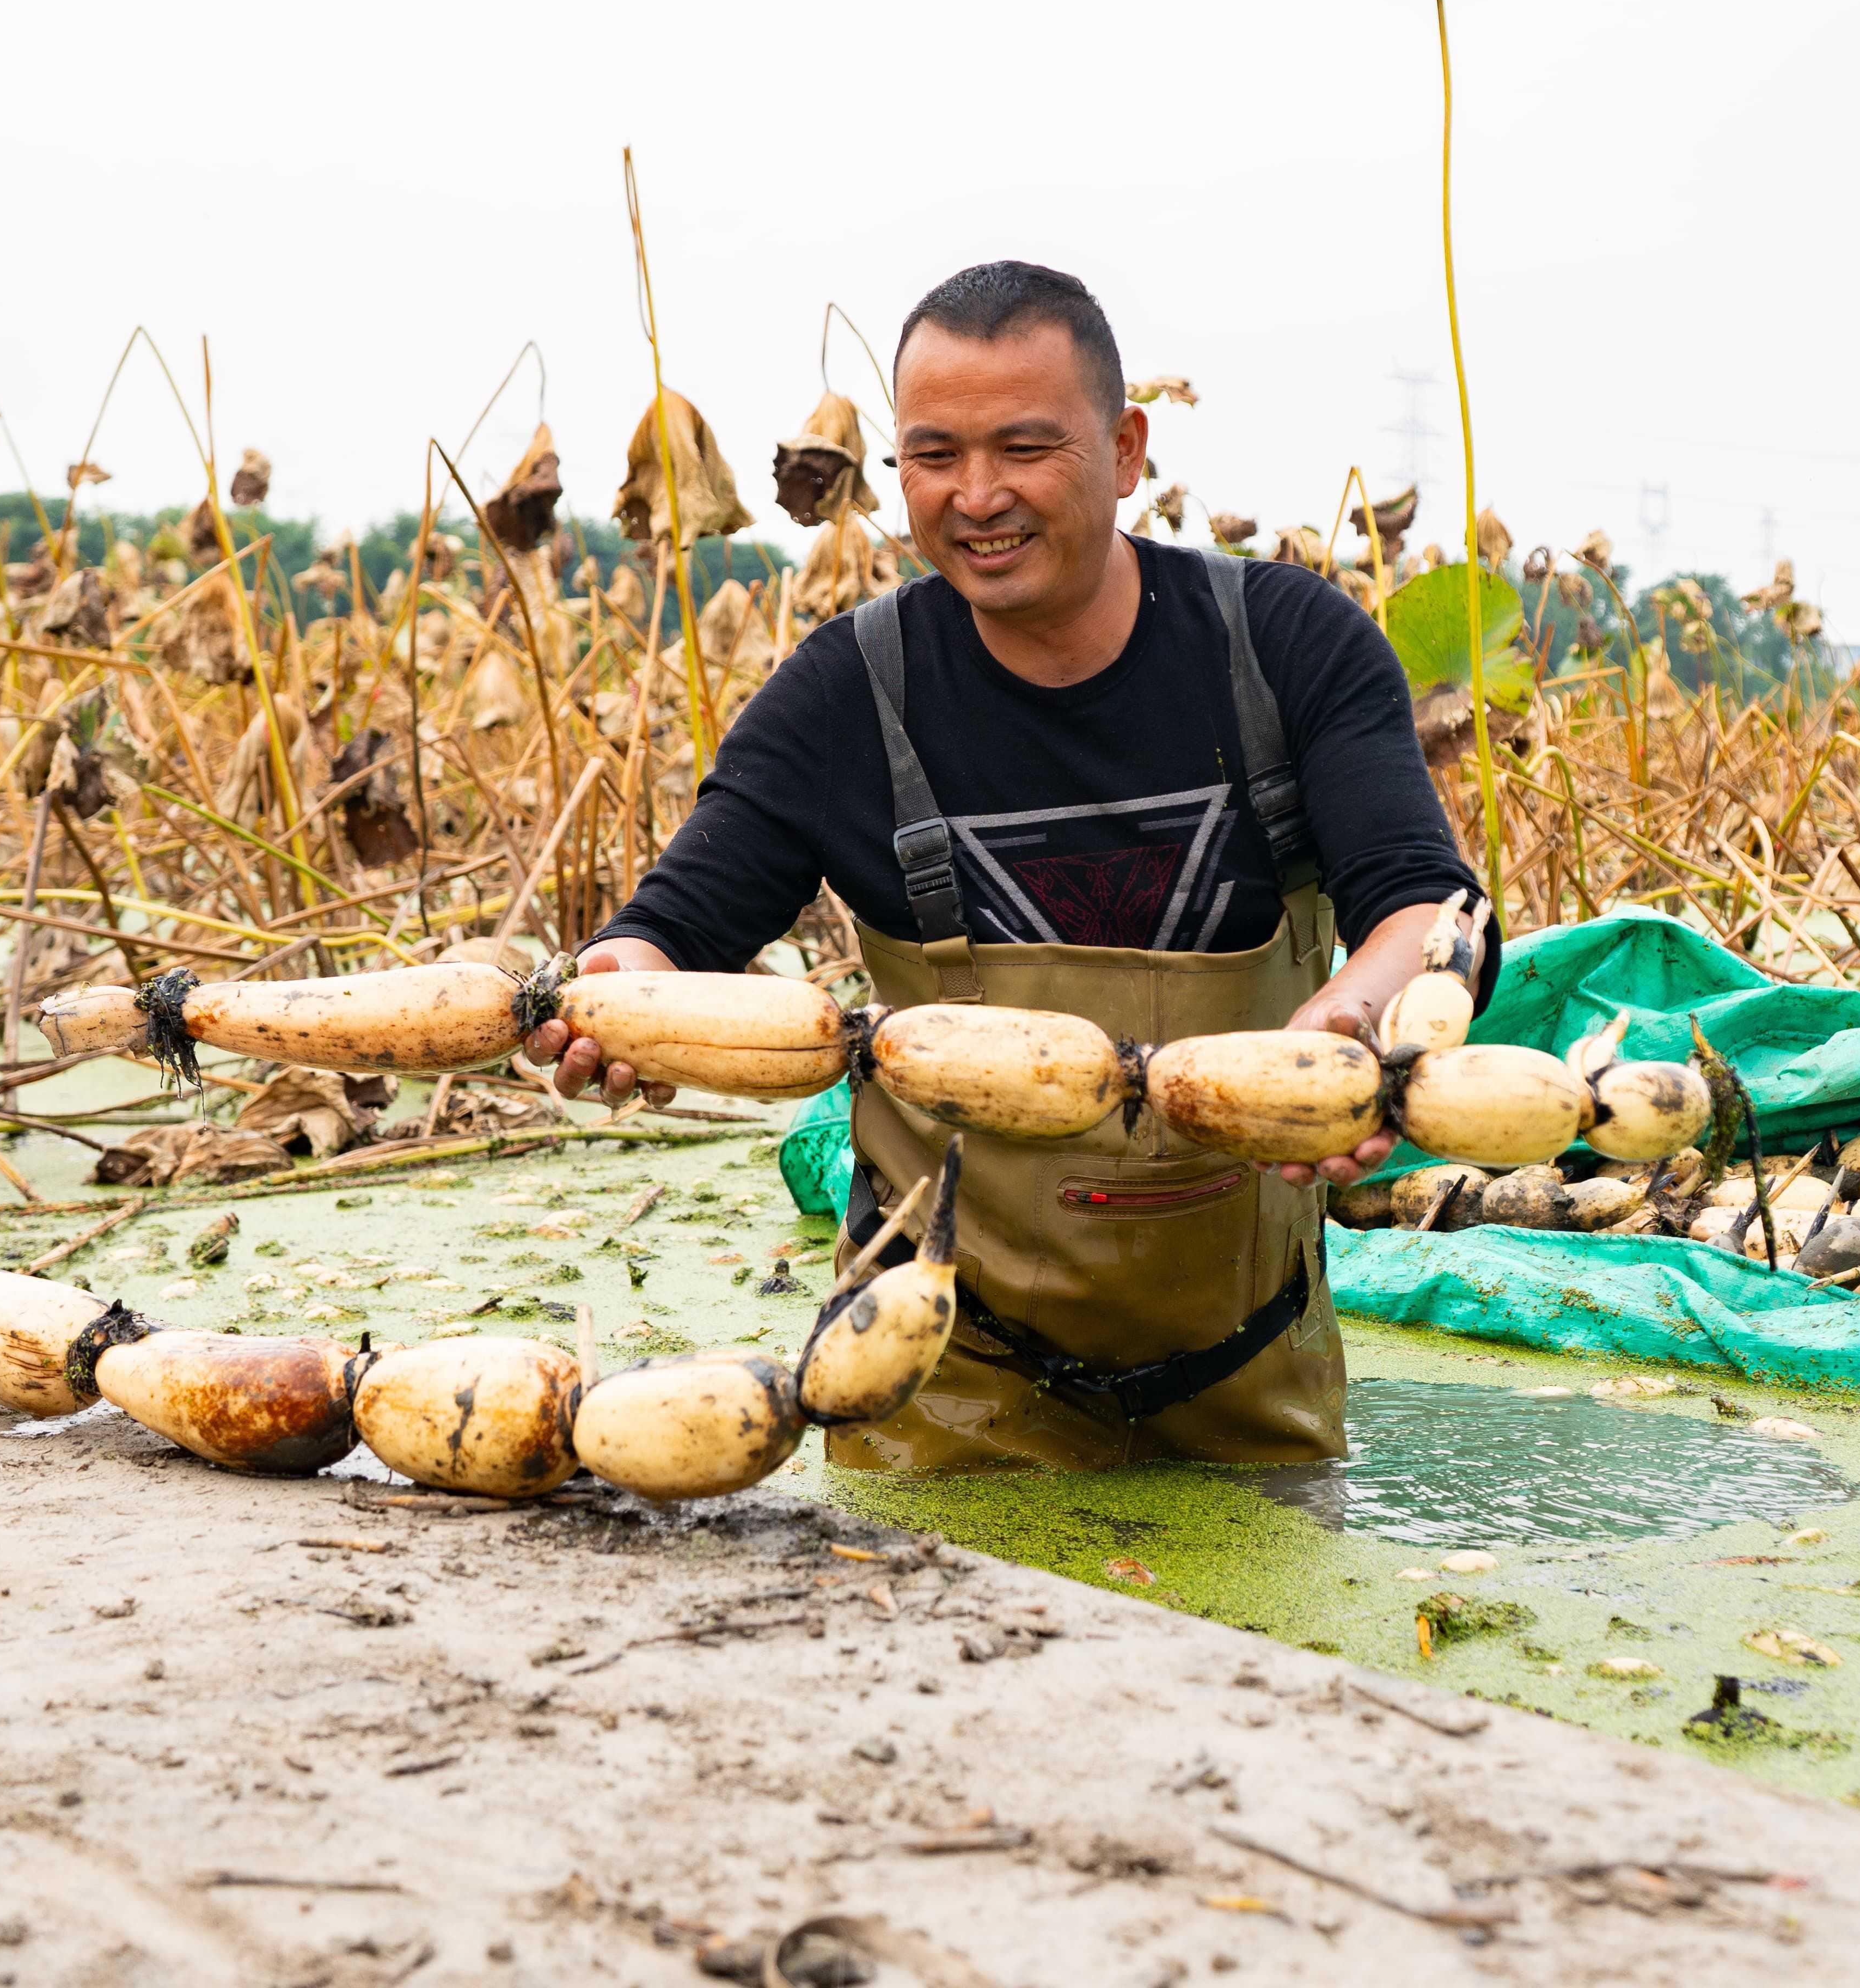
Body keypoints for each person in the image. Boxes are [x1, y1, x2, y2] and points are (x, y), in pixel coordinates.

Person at [528, 261, 1496, 1469]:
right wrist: (610, 989)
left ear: (1127, 446)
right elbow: (673, 927)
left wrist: (1361, 1019)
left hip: (1250, 1369)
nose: (976, 497)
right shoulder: (846, 696)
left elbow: (1428, 903)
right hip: (931, 1380)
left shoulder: (1287, 649)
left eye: (1024, 448)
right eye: (933, 456)